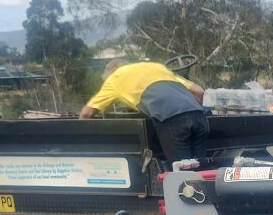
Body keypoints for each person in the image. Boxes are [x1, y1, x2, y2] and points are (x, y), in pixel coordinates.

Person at [79, 59, 209, 163]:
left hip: (171, 119)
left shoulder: (115, 78)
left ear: (111, 70)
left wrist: (82, 145)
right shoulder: (156, 67)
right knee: (201, 169)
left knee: (182, 173)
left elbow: (86, 114)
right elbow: (199, 92)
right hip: (199, 117)